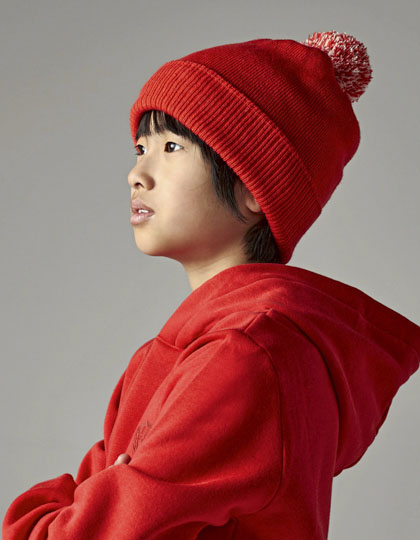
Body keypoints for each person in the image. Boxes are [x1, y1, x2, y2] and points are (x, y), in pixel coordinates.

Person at [2, 30, 420, 540]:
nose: (137, 174)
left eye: (171, 147)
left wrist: (51, 506)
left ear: (252, 188)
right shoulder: (179, 353)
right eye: (140, 148)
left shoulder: (244, 354)